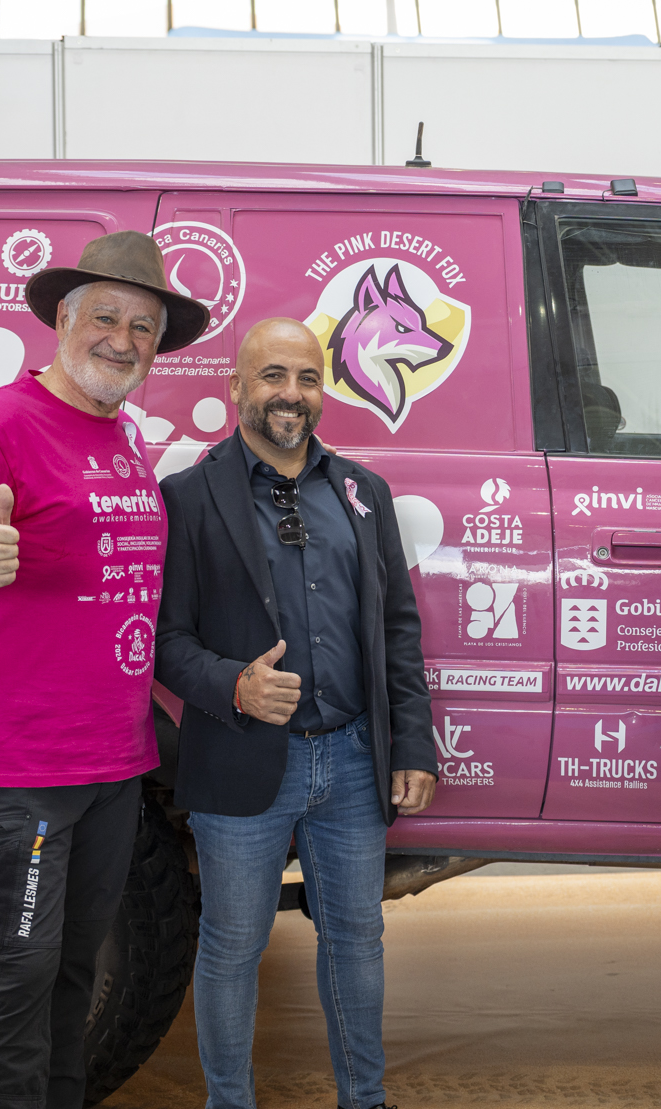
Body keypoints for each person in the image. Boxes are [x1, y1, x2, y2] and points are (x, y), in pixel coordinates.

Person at [0, 231, 208, 1109]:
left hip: (111, 764)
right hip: (17, 770)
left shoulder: (122, 437)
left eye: (142, 327)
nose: (122, 340)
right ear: (62, 320)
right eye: (105, 317)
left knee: (72, 977)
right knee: (11, 986)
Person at [156, 316, 436, 1109]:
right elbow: (162, 640)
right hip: (241, 758)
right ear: (236, 387)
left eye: (308, 378)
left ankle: (365, 1098)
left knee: (357, 940)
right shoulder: (188, 497)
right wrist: (233, 684)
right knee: (232, 947)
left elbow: (398, 629)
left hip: (352, 758)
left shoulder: (363, 492)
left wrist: (413, 745)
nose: (292, 392)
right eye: (273, 375)